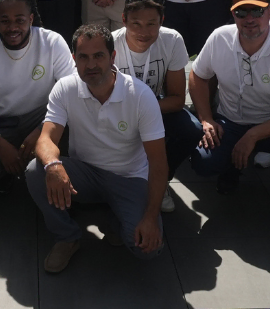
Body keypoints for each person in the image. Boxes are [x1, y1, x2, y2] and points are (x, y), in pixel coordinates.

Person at [28, 23, 168, 273]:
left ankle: (115, 218)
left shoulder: (140, 95)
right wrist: (53, 165)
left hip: (129, 178)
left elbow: (158, 163)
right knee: (36, 170)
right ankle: (67, 237)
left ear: (112, 57)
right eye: (83, 57)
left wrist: (150, 218)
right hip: (86, 173)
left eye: (98, 56)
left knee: (147, 249)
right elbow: (45, 139)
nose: (91, 65)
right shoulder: (66, 88)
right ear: (74, 59)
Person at [189, 0, 270, 234]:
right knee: (202, 163)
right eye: (241, 12)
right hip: (230, 122)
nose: (249, 19)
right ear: (232, 14)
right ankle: (231, 166)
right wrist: (206, 118)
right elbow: (197, 75)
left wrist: (253, 135)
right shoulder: (219, 38)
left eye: (257, 11)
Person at [0, 0, 76, 189]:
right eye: (5, 21)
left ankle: (35, 173)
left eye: (20, 20)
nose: (13, 27)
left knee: (75, 142)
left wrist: (43, 131)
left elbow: (71, 93)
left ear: (31, 19)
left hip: (43, 116)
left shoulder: (52, 42)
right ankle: (16, 173)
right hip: (1, 123)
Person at [113, 0, 194, 214]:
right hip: (117, 109)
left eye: (151, 24)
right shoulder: (110, 43)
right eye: (135, 23)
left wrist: (144, 110)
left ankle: (160, 180)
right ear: (123, 20)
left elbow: (177, 99)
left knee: (191, 130)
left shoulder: (172, 40)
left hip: (155, 107)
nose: (143, 32)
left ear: (162, 21)